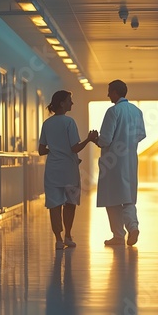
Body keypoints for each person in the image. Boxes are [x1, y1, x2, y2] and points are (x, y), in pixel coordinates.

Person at [39, 90, 98, 250]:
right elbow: (75, 147)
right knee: (70, 204)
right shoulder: (69, 122)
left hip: (52, 170)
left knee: (54, 205)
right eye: (69, 100)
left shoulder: (47, 124)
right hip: (69, 171)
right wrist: (89, 139)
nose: (72, 103)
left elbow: (41, 150)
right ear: (62, 103)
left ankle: (58, 240)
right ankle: (68, 236)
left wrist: (55, 148)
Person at [94, 79, 146, 246]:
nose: (108, 94)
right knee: (128, 198)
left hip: (113, 162)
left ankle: (118, 235)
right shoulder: (137, 111)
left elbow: (105, 140)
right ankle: (133, 227)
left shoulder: (113, 111)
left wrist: (95, 139)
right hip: (130, 160)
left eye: (109, 91)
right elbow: (141, 135)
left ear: (116, 92)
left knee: (113, 199)